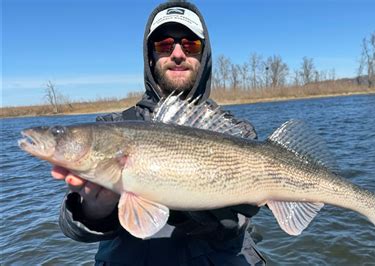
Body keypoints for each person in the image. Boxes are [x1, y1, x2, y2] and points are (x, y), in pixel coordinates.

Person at [51, 1, 266, 265]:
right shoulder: (111, 127)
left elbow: (266, 202)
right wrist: (93, 211)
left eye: (190, 45)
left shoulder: (238, 133)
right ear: (150, 55)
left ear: (204, 55)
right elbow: (70, 227)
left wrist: (232, 221)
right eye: (164, 45)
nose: (177, 53)